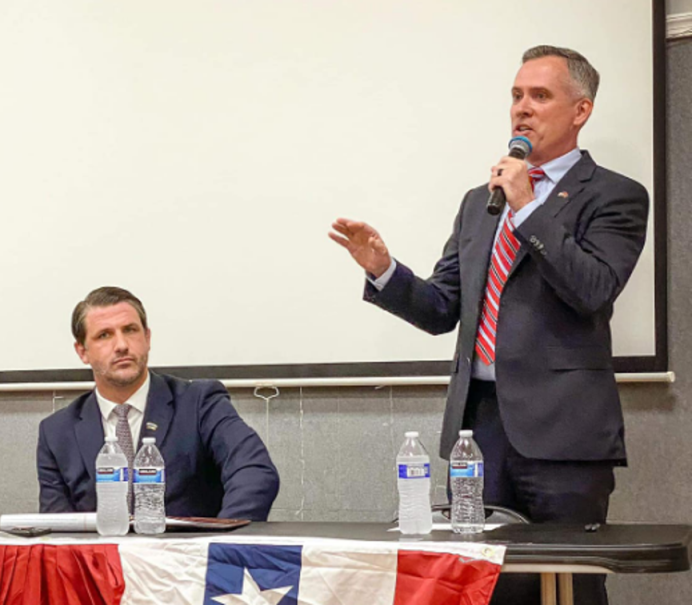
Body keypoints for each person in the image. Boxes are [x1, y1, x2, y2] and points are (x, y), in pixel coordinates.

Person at [329, 46, 648, 604]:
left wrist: (529, 207)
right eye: (516, 96)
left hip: (563, 434)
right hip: (479, 429)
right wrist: (383, 270)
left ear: (581, 111)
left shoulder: (615, 195)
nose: (522, 109)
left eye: (540, 96)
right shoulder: (481, 201)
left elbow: (592, 289)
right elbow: (439, 309)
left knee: (569, 589)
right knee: (480, 586)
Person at [36, 286, 279, 520]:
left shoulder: (199, 403)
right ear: (82, 352)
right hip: (99, 561)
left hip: (185, 559)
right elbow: (58, 529)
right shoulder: (57, 432)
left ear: (147, 337)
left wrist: (217, 548)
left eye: (130, 330)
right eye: (104, 335)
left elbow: (254, 472)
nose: (121, 345)